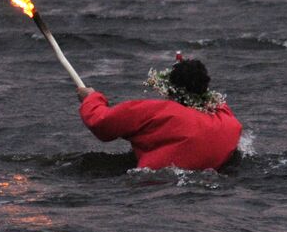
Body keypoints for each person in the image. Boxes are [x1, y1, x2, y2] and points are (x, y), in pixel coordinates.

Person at [77, 55, 242, 170]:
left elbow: (102, 122)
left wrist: (91, 98)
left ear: (171, 89)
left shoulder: (157, 112)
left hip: (155, 182)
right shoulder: (226, 117)